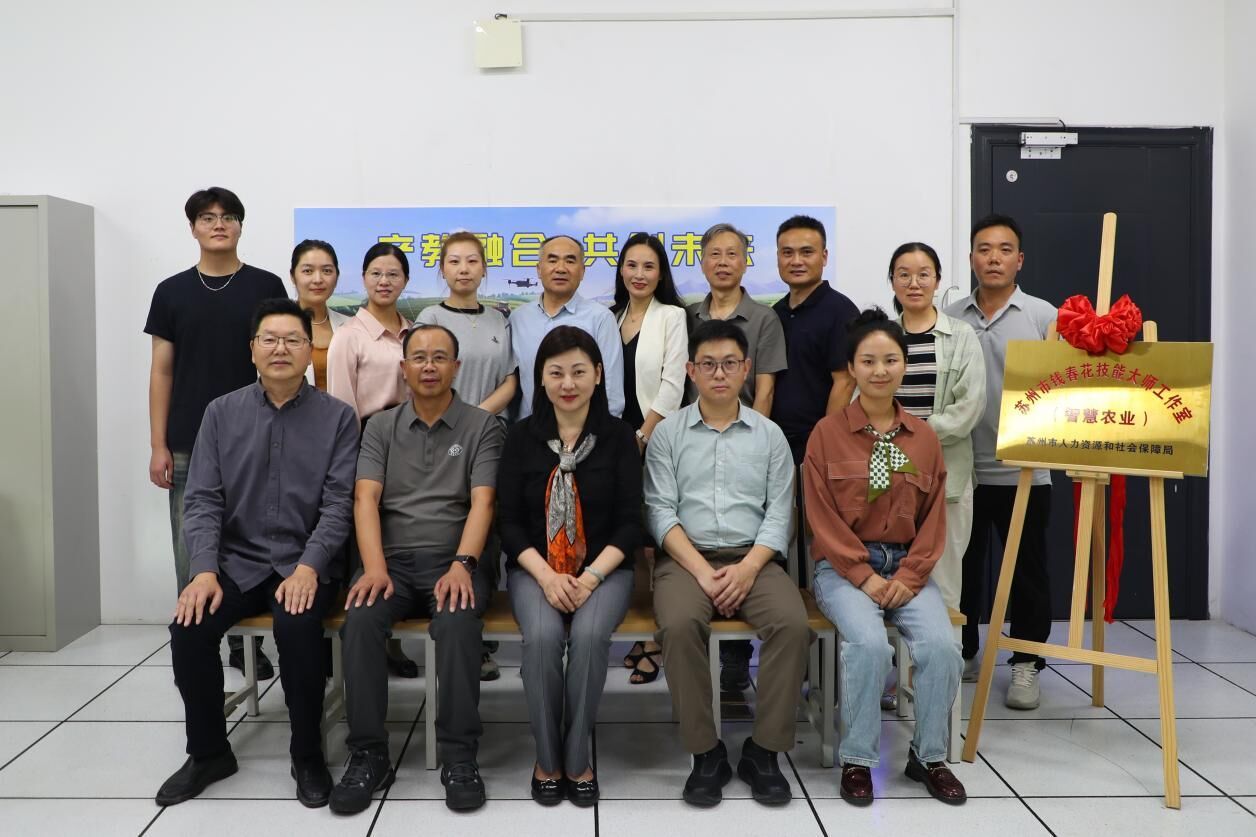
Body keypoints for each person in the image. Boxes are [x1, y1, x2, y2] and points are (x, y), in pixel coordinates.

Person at [156, 299, 358, 809]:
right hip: (238, 561)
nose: (280, 349)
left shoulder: (338, 418)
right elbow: (202, 499)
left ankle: (307, 754)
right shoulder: (220, 413)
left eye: (293, 340)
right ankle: (208, 752)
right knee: (189, 628)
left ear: (310, 351)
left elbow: (339, 505)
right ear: (252, 350)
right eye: (270, 339)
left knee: (298, 627)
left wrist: (310, 567)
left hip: (306, 561)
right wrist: (203, 571)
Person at [331, 324, 504, 814]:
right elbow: (365, 499)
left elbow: (484, 502)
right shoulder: (380, 427)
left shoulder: (483, 426)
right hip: (391, 564)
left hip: (456, 561)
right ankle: (369, 754)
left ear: (456, 367)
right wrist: (373, 568)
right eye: (420, 358)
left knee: (456, 623)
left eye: (440, 357)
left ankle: (459, 755)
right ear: (403, 368)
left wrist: (463, 565)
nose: (429, 366)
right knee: (361, 620)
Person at [803, 307, 966, 808]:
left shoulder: (924, 437)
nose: (879, 371)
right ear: (852, 367)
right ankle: (857, 759)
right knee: (870, 646)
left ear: (904, 365)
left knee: (941, 648)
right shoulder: (827, 434)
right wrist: (863, 575)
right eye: (868, 361)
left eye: (890, 360)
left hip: (908, 568)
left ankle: (929, 756)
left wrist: (910, 576)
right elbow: (820, 517)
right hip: (843, 568)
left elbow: (934, 519)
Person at [644, 319, 809, 809]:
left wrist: (747, 569)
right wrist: (702, 572)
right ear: (691, 371)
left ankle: (764, 751)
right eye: (709, 364)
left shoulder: (770, 436)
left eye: (730, 364)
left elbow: (780, 514)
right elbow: (659, 511)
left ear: (746, 369)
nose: (719, 373)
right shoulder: (668, 434)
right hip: (685, 559)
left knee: (792, 625)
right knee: (678, 626)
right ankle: (706, 752)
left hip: (753, 558)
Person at [497, 326, 643, 806]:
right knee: (541, 639)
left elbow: (631, 523)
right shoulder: (521, 438)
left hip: (606, 569)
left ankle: (577, 757)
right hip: (535, 569)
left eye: (579, 372)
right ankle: (547, 758)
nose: (568, 383)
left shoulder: (619, 437)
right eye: (556, 372)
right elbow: (508, 523)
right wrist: (546, 576)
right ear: (540, 378)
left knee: (589, 636)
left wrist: (591, 577)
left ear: (598, 375)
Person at [145, 186, 286, 679]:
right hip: (187, 441)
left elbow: (281, 358)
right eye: (207, 217)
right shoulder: (171, 291)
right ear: (193, 228)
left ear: (241, 226)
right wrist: (158, 444)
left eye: (228, 216)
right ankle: (199, 645)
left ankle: (249, 646)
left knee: (254, 546)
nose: (218, 224)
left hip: (257, 439)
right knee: (192, 548)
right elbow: (162, 370)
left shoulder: (266, 285)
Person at [944, 214, 1057, 709]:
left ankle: (1026, 662)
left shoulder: (1043, 316)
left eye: (1004, 249)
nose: (994, 258)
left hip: (1024, 469)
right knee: (961, 568)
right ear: (971, 257)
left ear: (1020, 259)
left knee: (1027, 572)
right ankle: (964, 651)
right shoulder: (951, 316)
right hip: (963, 468)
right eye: (984, 249)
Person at [687, 223, 790, 692]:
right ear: (702, 261)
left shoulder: (764, 318)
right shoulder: (687, 316)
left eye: (733, 253)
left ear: (746, 262)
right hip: (695, 441)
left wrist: (748, 439)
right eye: (715, 254)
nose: (723, 262)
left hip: (747, 440)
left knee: (744, 538)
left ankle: (736, 658)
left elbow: (765, 389)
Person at [417, 231, 518, 681]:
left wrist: (476, 417)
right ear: (442, 269)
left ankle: (479, 640)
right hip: (440, 438)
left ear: (484, 268)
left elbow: (512, 380)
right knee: (449, 521)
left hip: (491, 436)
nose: (463, 269)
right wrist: (459, 420)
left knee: (487, 525)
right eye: (454, 261)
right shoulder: (430, 317)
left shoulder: (499, 319)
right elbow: (422, 376)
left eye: (472, 261)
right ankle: (447, 625)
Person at [326, 242, 418, 678]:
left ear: (405, 280)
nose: (385, 281)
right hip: (366, 444)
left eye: (393, 274)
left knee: (400, 537)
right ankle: (367, 641)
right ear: (363, 278)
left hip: (413, 449)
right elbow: (341, 407)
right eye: (376, 273)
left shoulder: (413, 333)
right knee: (368, 541)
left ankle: (392, 639)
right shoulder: (350, 335)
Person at [889, 242, 986, 612]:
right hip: (889, 475)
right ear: (892, 280)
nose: (914, 283)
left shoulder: (961, 335)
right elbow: (862, 400)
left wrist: (911, 434)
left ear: (938, 279)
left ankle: (943, 651)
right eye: (904, 275)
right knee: (892, 576)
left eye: (923, 274)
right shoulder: (883, 335)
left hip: (946, 476)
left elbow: (969, 407)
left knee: (944, 583)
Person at [609, 232, 688, 685]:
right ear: (621, 270)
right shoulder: (610, 317)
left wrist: (642, 435)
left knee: (659, 540)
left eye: (649, 266)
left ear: (661, 274)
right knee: (630, 536)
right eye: (632, 265)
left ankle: (658, 640)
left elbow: (674, 383)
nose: (639, 274)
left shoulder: (672, 317)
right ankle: (642, 633)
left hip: (655, 440)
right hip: (613, 443)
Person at [770, 215, 860, 465]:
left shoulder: (841, 311)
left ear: (824, 256)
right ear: (778, 257)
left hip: (817, 445)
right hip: (775, 443)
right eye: (787, 253)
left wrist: (824, 442)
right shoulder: (775, 313)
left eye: (806, 252)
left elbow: (845, 382)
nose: (796, 261)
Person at [508, 235, 625, 419]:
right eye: (552, 260)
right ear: (539, 269)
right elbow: (509, 382)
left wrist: (599, 434)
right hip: (528, 430)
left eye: (570, 261)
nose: (561, 268)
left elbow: (612, 392)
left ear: (582, 271)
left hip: (587, 432)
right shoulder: (518, 318)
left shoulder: (601, 318)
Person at [289, 239, 350, 391]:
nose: (318, 280)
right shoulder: (275, 327)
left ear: (337, 277)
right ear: (293, 276)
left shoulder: (352, 326)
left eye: (327, 271)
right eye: (308, 271)